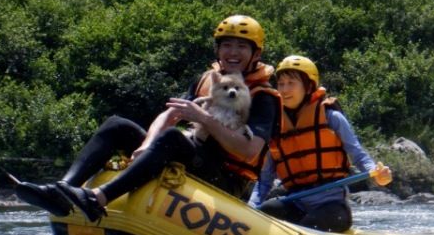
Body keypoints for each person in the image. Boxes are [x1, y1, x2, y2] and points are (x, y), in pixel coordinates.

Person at [14, 15, 280, 221]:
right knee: (118, 126)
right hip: (195, 155)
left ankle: (97, 199)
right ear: (217, 50)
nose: (233, 52)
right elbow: (169, 114)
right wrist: (146, 145)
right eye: (227, 45)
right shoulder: (205, 79)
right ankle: (63, 190)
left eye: (242, 47)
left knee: (175, 139)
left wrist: (205, 119)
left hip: (227, 178)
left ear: (255, 54)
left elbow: (249, 150)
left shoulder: (263, 96)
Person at [249, 55, 391, 232]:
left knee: (309, 226)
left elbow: (358, 154)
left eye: (291, 83)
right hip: (296, 202)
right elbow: (264, 180)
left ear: (308, 86)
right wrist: (252, 208)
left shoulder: (332, 117)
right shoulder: (275, 125)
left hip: (332, 206)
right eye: (281, 83)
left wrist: (378, 174)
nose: (284, 89)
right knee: (269, 209)